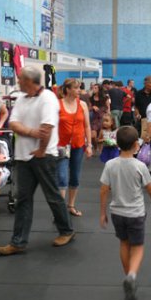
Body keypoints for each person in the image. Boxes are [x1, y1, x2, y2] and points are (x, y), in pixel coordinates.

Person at [0, 66, 74, 256]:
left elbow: (46, 128)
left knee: (53, 196)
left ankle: (66, 230)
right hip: (23, 157)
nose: (18, 82)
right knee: (23, 199)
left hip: (44, 156)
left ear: (30, 81)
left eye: (21, 79)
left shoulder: (47, 98)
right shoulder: (22, 99)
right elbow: (13, 123)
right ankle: (18, 242)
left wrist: (40, 149)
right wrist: (31, 132)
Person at [100, 126, 151, 300]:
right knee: (137, 247)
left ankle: (128, 275)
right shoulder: (140, 166)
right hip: (135, 214)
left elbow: (104, 190)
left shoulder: (110, 165)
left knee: (124, 243)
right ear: (136, 145)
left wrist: (102, 213)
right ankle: (132, 276)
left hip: (117, 213)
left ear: (118, 144)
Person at [57, 79, 92, 218]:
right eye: (76, 88)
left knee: (75, 177)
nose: (79, 90)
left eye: (79, 88)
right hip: (61, 146)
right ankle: (59, 210)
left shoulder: (82, 104)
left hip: (78, 145)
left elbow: (87, 126)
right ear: (68, 89)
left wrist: (89, 144)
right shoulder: (58, 105)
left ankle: (70, 205)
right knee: (62, 177)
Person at [90, 83, 110, 154]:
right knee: (93, 135)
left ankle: (100, 147)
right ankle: (95, 147)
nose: (94, 89)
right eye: (93, 88)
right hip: (95, 119)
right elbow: (88, 107)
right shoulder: (91, 98)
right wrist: (92, 107)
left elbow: (108, 108)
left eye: (96, 88)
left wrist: (108, 118)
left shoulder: (105, 98)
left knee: (102, 136)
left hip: (102, 118)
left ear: (99, 89)